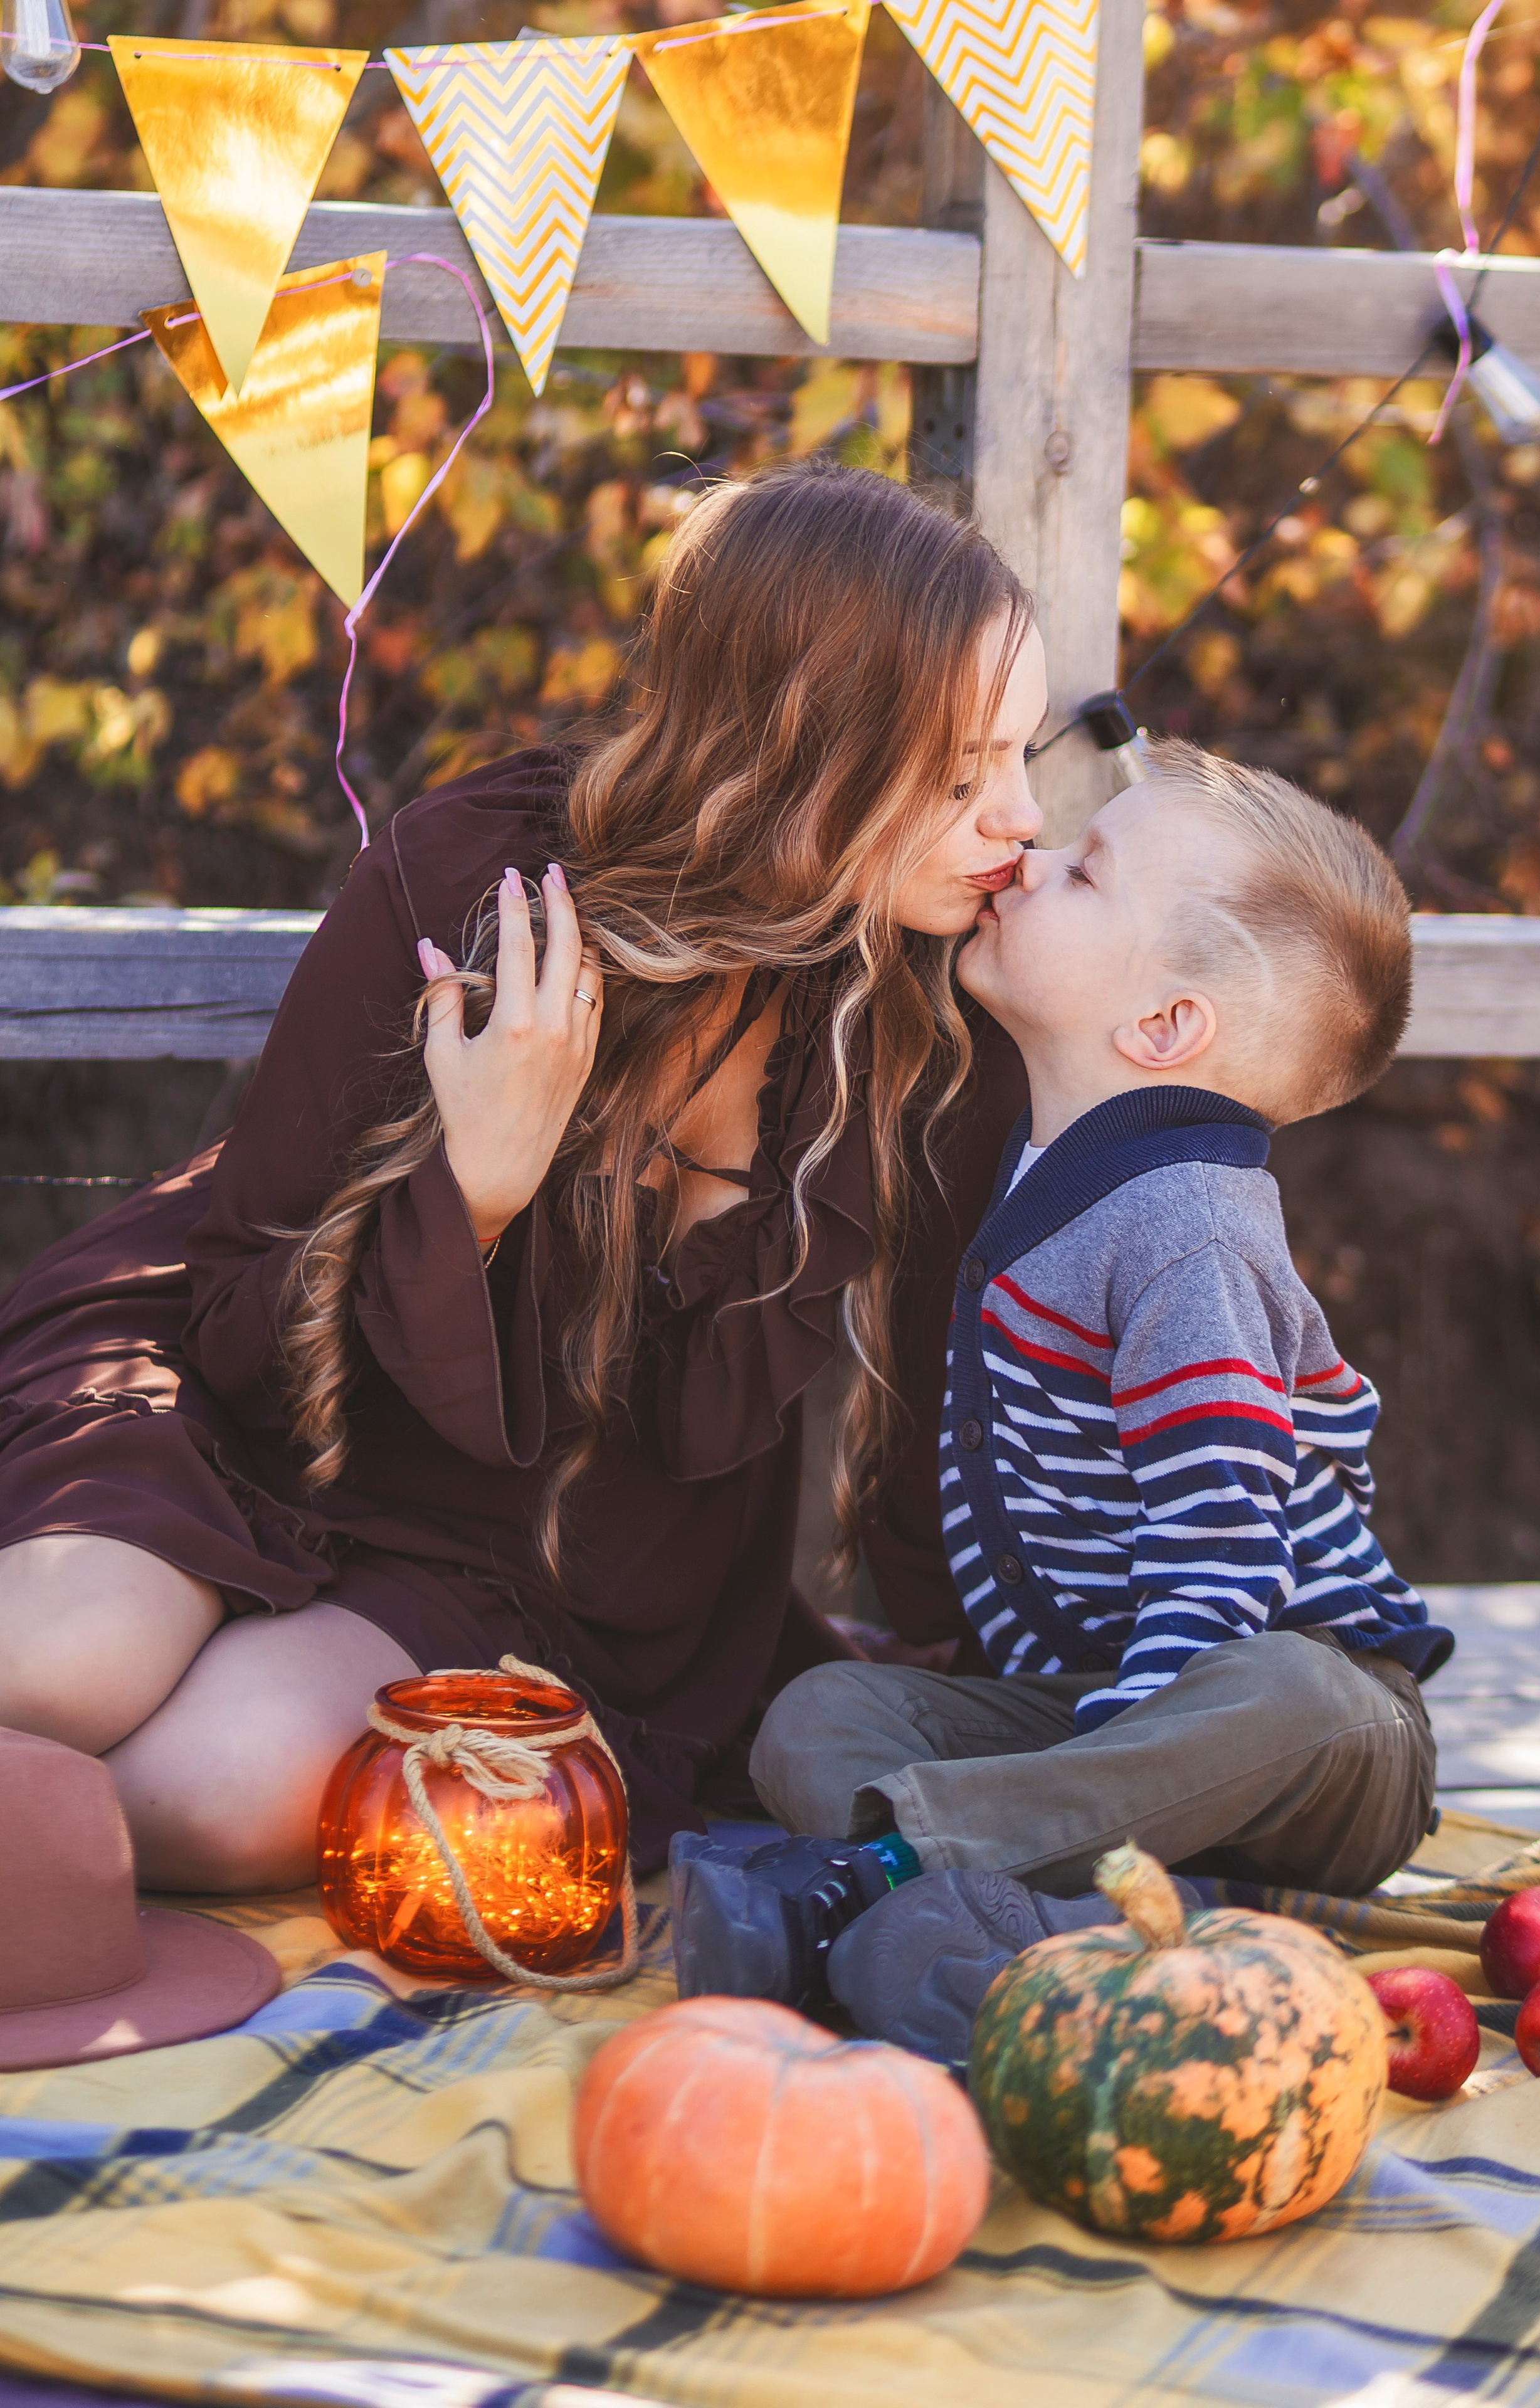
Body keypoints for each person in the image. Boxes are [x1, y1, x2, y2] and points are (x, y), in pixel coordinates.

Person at [0, 458, 1047, 1893]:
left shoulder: (933, 1010)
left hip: (543, 1539)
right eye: (960, 774)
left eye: (1026, 756)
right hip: (240, 1393)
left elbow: (941, 1381)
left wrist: (965, 1673)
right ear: (802, 748)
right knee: (58, 1668)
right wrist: (475, 1194)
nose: (1020, 819)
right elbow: (246, 1300)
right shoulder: (473, 882)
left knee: (205, 1803)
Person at [672, 742, 1453, 2058]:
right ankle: (1071, 1936)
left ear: (1159, 1028)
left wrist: (1089, 1777)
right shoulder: (1056, 1172)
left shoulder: (1185, 1234)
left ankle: (885, 1886)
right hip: (1112, 1721)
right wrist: (1067, 1783)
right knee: (822, 1719)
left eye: (1083, 873)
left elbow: (1218, 1550)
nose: (1026, 863)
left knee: (1290, 1693)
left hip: (1303, 1737)